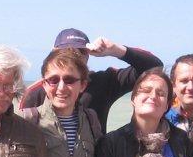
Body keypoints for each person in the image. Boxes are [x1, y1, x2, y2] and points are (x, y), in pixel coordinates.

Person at [19, 29, 163, 133]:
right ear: (54, 53)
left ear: (88, 56)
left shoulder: (103, 82)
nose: (74, 56)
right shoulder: (36, 92)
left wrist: (114, 50)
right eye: (67, 51)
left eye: (81, 52)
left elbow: (153, 66)